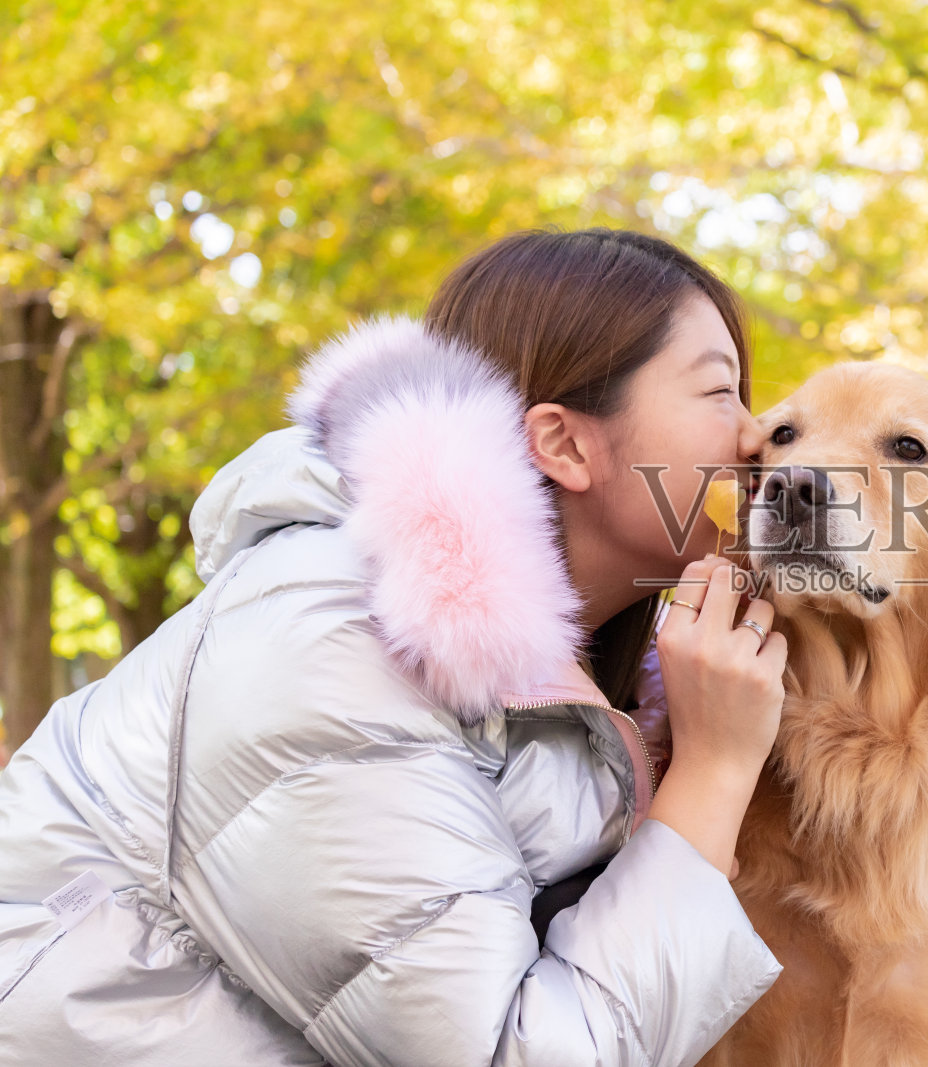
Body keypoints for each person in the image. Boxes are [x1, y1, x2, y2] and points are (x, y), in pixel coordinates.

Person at [0, 229, 790, 1066]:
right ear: (563, 443)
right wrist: (714, 770)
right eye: (720, 393)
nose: (758, 436)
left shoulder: (600, 678)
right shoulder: (334, 639)